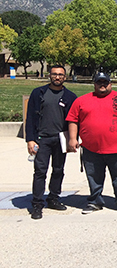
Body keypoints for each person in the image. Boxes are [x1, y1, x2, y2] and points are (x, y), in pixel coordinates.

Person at [66, 72, 117, 215]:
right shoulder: (81, 101)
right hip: (91, 148)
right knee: (94, 177)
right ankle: (95, 202)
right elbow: (73, 120)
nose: (102, 85)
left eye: (105, 82)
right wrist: (72, 138)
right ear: (94, 84)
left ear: (110, 84)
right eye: (99, 82)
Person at [25, 64, 77, 220]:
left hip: (61, 139)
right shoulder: (39, 93)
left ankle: (53, 198)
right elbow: (30, 118)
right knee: (40, 171)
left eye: (60, 74)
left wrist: (73, 139)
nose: (57, 77)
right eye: (54, 74)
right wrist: (30, 139)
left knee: (58, 170)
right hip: (42, 139)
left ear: (65, 77)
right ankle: (37, 204)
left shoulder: (70, 96)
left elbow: (74, 120)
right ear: (49, 75)